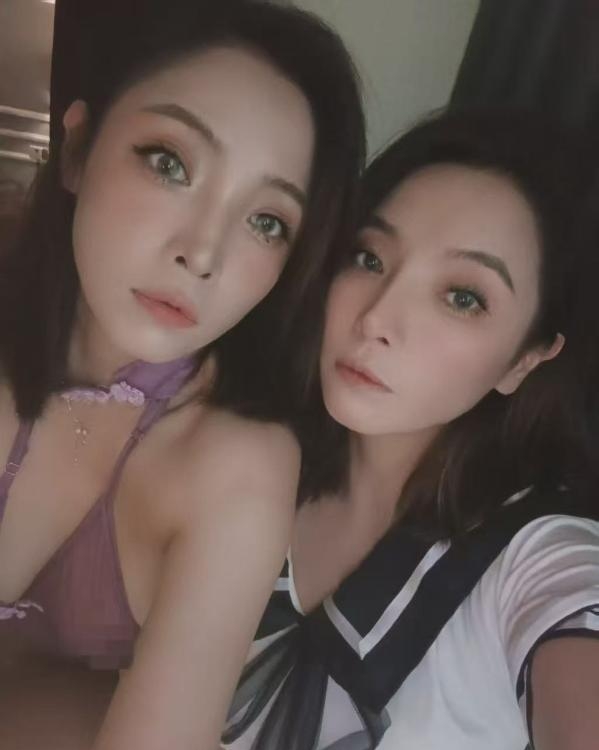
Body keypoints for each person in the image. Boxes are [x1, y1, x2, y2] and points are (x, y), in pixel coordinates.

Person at [0, 1, 365, 748]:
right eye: (170, 163)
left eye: (267, 221)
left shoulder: (235, 466)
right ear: (77, 149)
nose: (202, 253)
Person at [223, 110, 599, 750]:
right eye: (368, 257)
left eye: (463, 297)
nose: (376, 318)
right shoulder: (246, 460)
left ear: (525, 360)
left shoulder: (535, 559)